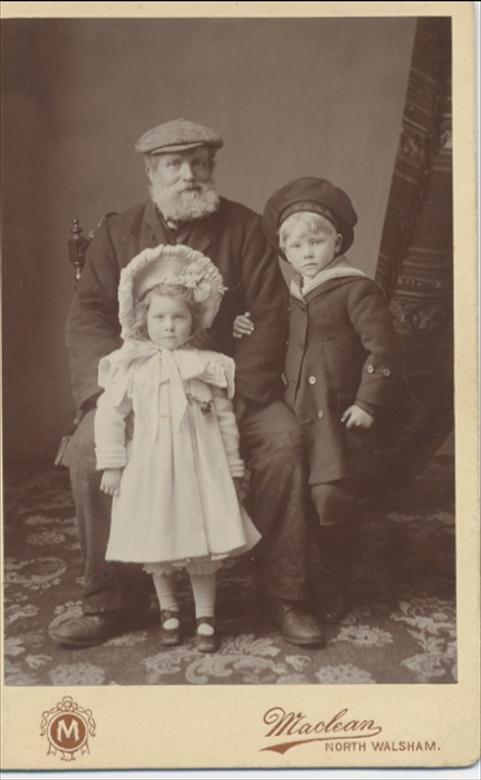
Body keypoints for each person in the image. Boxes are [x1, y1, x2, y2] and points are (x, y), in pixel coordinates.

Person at [50, 119, 324, 648]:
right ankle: (111, 599)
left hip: (221, 387)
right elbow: (87, 316)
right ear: (151, 172)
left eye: (199, 163)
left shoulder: (244, 229)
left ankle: (286, 594)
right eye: (174, 165)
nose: (189, 176)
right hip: (141, 387)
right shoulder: (118, 233)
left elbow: (270, 315)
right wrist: (114, 393)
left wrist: (233, 394)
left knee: (283, 440)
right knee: (89, 450)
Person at [234, 177, 400, 623]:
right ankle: (293, 575)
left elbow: (382, 350)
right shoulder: (287, 294)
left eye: (318, 240)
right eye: (296, 245)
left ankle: (338, 575)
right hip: (294, 411)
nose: (308, 252)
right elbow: (273, 331)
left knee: (331, 496)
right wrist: (244, 327)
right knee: (296, 494)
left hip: (336, 414)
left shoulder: (354, 289)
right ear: (284, 252)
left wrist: (368, 402)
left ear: (337, 241)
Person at [95, 244, 260, 652]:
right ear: (143, 320)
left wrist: (234, 466)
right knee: (159, 538)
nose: (169, 326)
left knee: (201, 541)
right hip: (150, 466)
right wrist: (113, 464)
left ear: (193, 322)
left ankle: (206, 616)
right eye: (159, 317)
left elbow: (224, 417)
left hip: (199, 466)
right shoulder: (130, 366)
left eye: (178, 318)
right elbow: (111, 414)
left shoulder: (205, 365)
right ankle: (169, 609)